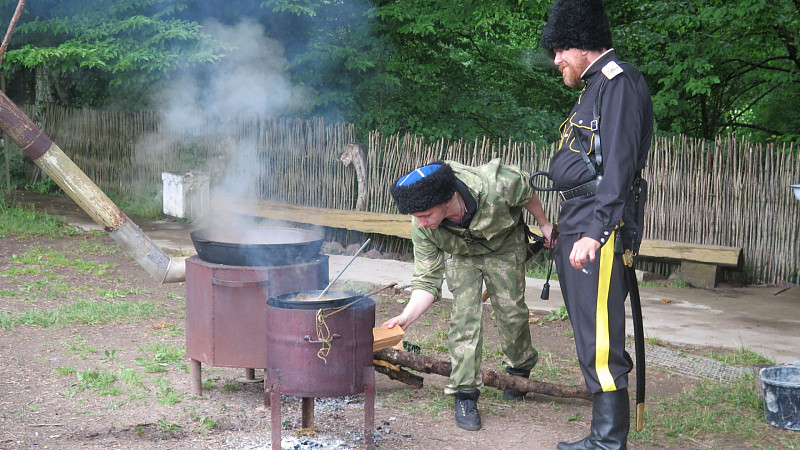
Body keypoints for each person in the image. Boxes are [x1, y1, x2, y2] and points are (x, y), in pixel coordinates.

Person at [540, 0, 654, 448]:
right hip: (579, 219)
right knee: (589, 327)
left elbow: (620, 168)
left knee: (601, 331)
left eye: (559, 51)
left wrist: (596, 231)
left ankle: (608, 442)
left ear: (582, 45)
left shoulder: (618, 83)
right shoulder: (592, 88)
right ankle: (603, 437)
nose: (556, 61)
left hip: (598, 225)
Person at [382, 159, 553, 432]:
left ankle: (519, 371)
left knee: (512, 312)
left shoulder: (498, 183)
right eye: (416, 216)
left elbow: (527, 193)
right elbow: (427, 280)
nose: (421, 223)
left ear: (448, 199)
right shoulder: (423, 227)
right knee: (465, 317)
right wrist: (406, 317)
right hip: (461, 254)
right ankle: (465, 394)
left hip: (504, 245)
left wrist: (543, 224)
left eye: (425, 215)